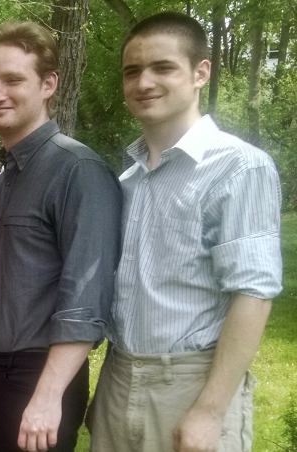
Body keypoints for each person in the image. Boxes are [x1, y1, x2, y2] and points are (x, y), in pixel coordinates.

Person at [89, 12, 282, 452]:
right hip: (119, 378)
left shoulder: (238, 167)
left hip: (192, 385)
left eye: (163, 67)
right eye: (132, 71)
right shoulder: (129, 180)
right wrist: (113, 392)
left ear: (200, 73)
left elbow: (253, 293)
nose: (144, 82)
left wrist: (210, 412)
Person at [0, 21, 122, 452]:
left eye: (12, 80)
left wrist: (49, 396)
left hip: (37, 380)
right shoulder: (9, 176)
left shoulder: (77, 170)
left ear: (49, 84)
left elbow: (87, 298)